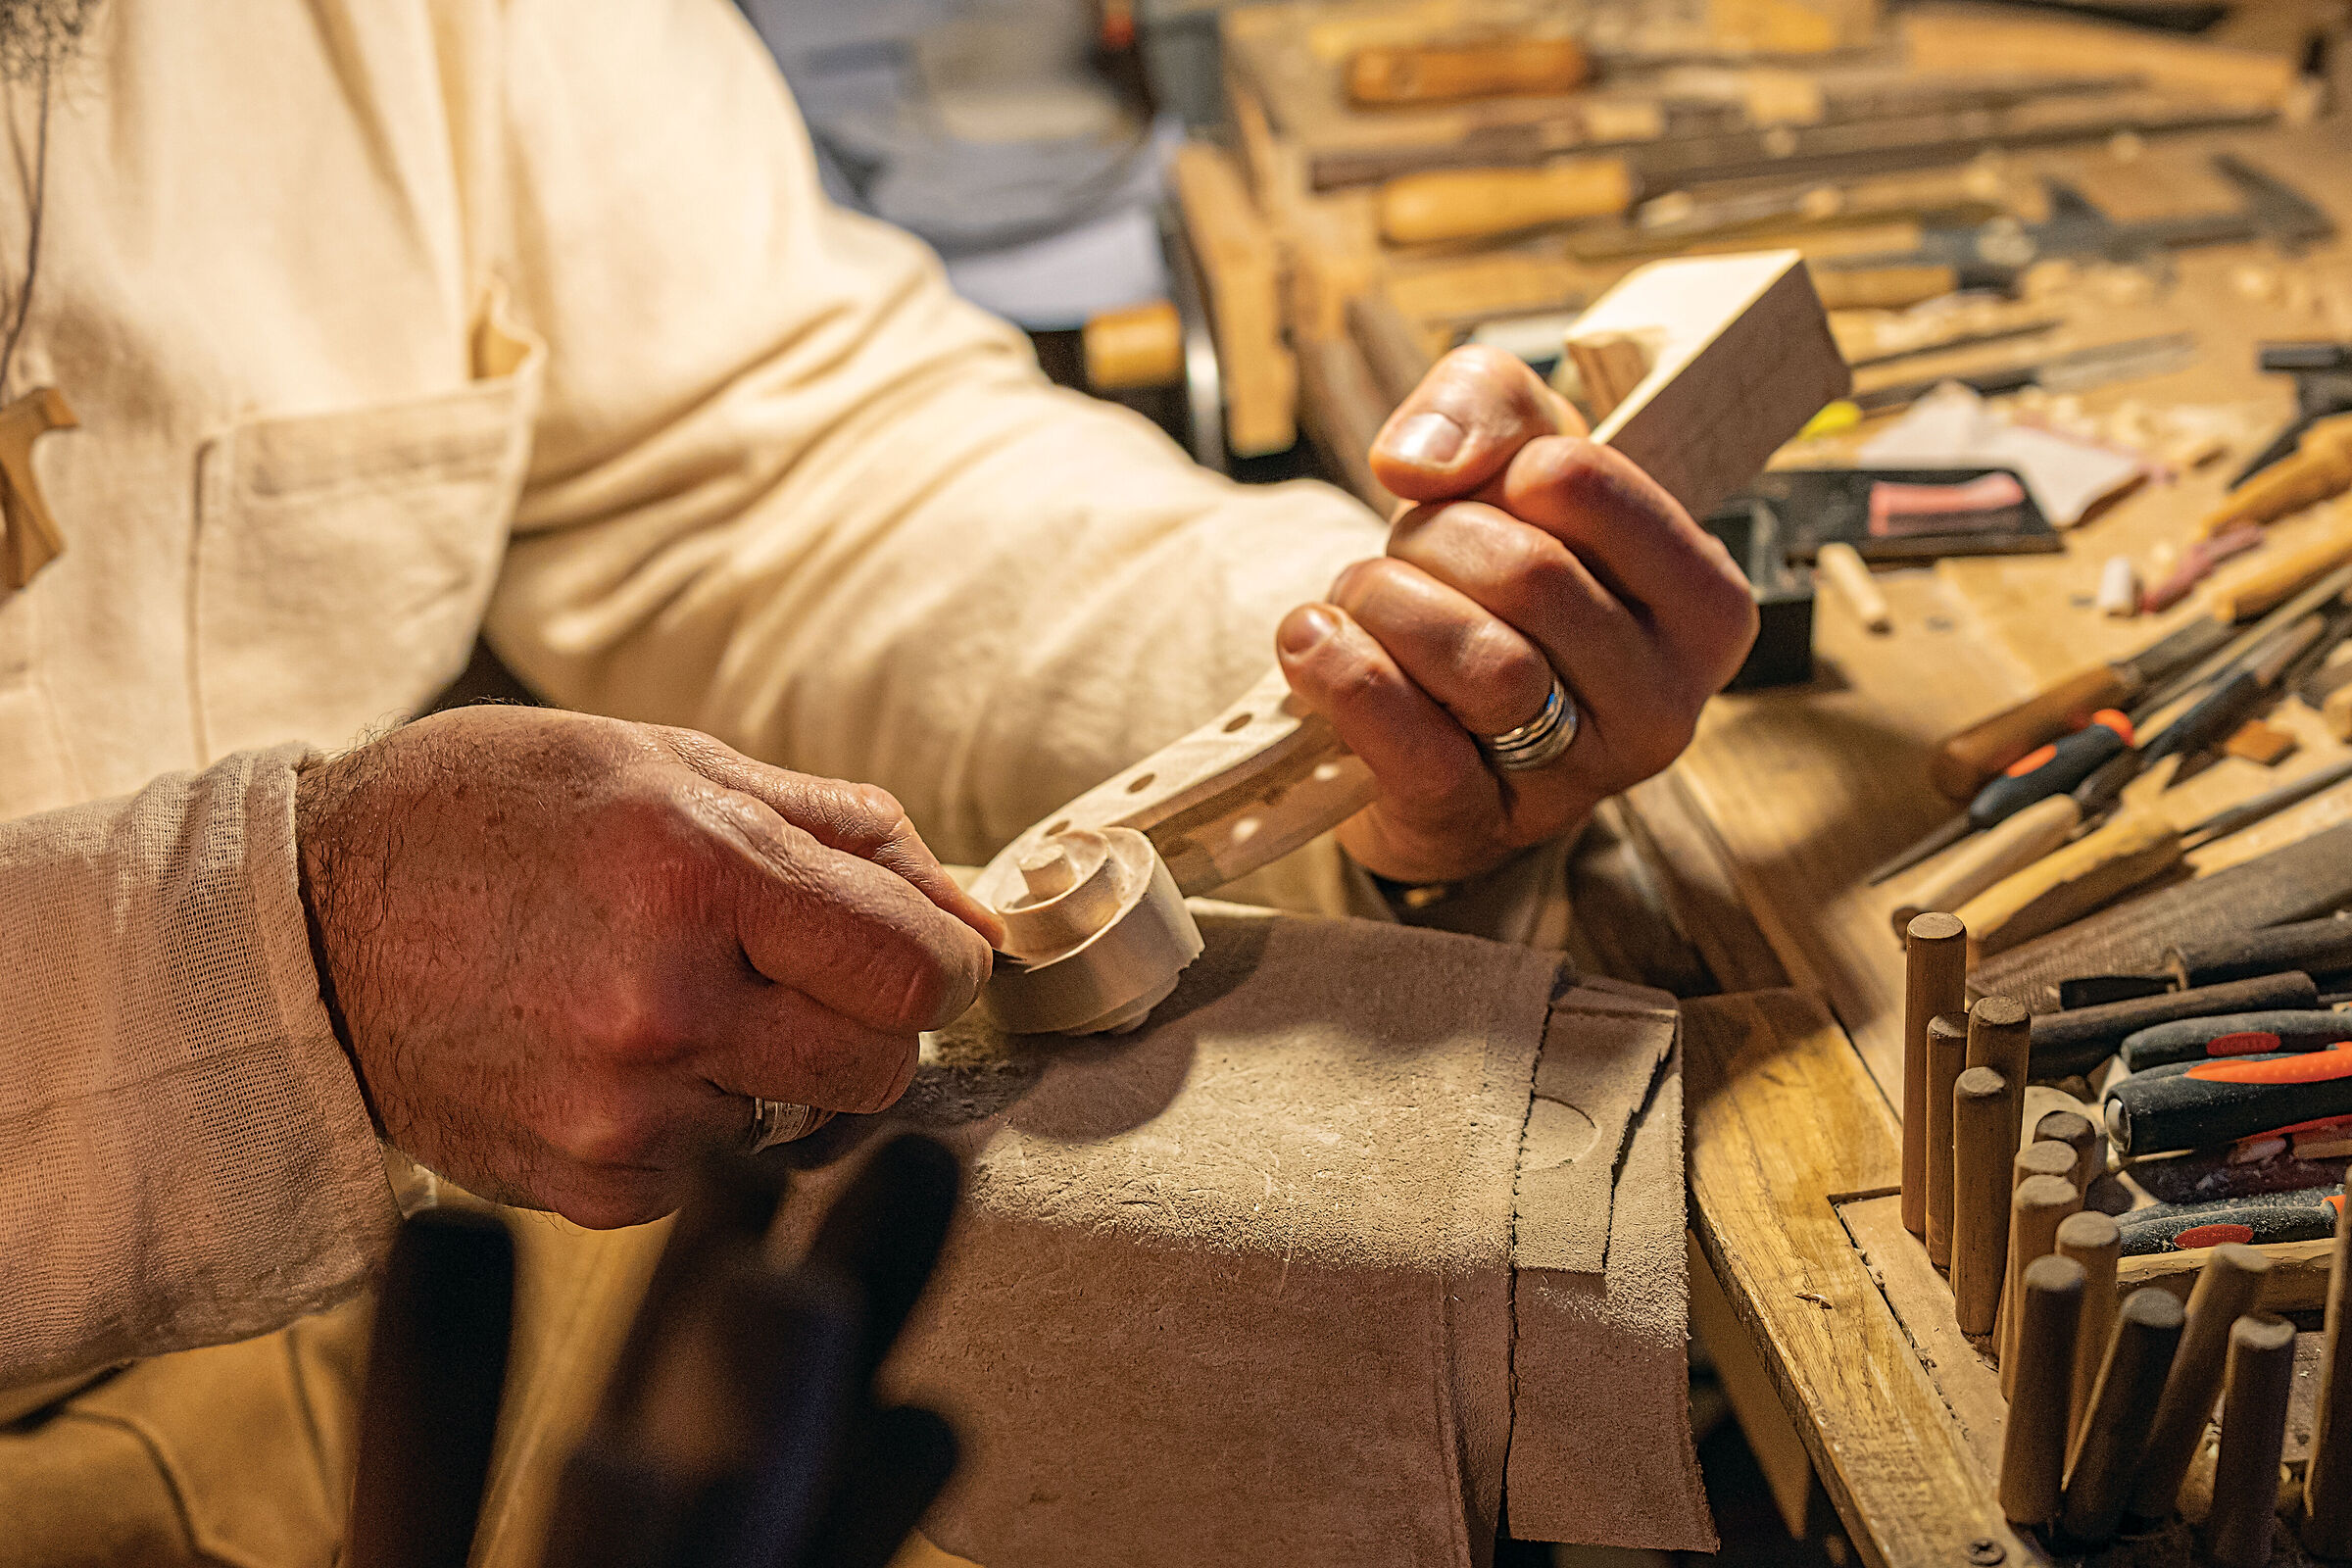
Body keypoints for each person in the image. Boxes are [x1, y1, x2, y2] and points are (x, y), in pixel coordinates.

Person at [0, 0, 1754, 1556]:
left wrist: (1349, 662)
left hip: (374, 1296)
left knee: (1399, 1288)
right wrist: (280, 962)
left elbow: (770, 466)